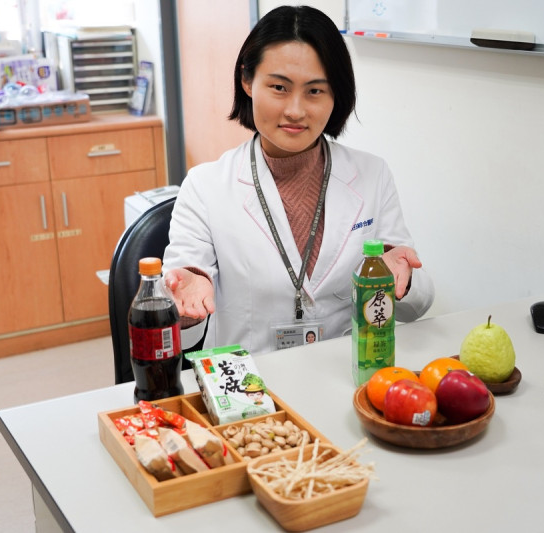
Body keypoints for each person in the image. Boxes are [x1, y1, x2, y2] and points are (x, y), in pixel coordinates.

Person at [163, 5, 434, 355]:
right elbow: (179, 330)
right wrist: (185, 303)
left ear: (336, 95)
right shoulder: (205, 186)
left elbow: (418, 307)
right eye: (279, 87)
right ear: (247, 81)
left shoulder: (372, 175)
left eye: (315, 91)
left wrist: (402, 278)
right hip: (252, 391)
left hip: (345, 375)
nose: (295, 110)